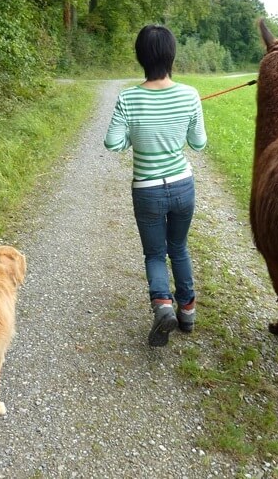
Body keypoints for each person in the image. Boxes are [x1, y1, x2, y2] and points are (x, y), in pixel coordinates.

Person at [104, 24, 207, 347]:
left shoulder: (128, 98)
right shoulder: (189, 95)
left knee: (154, 253)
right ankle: (187, 311)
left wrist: (135, 136)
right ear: (172, 55)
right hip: (182, 186)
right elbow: (199, 143)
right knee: (178, 247)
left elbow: (112, 143)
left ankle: (163, 305)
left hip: (146, 190)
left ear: (140, 57)